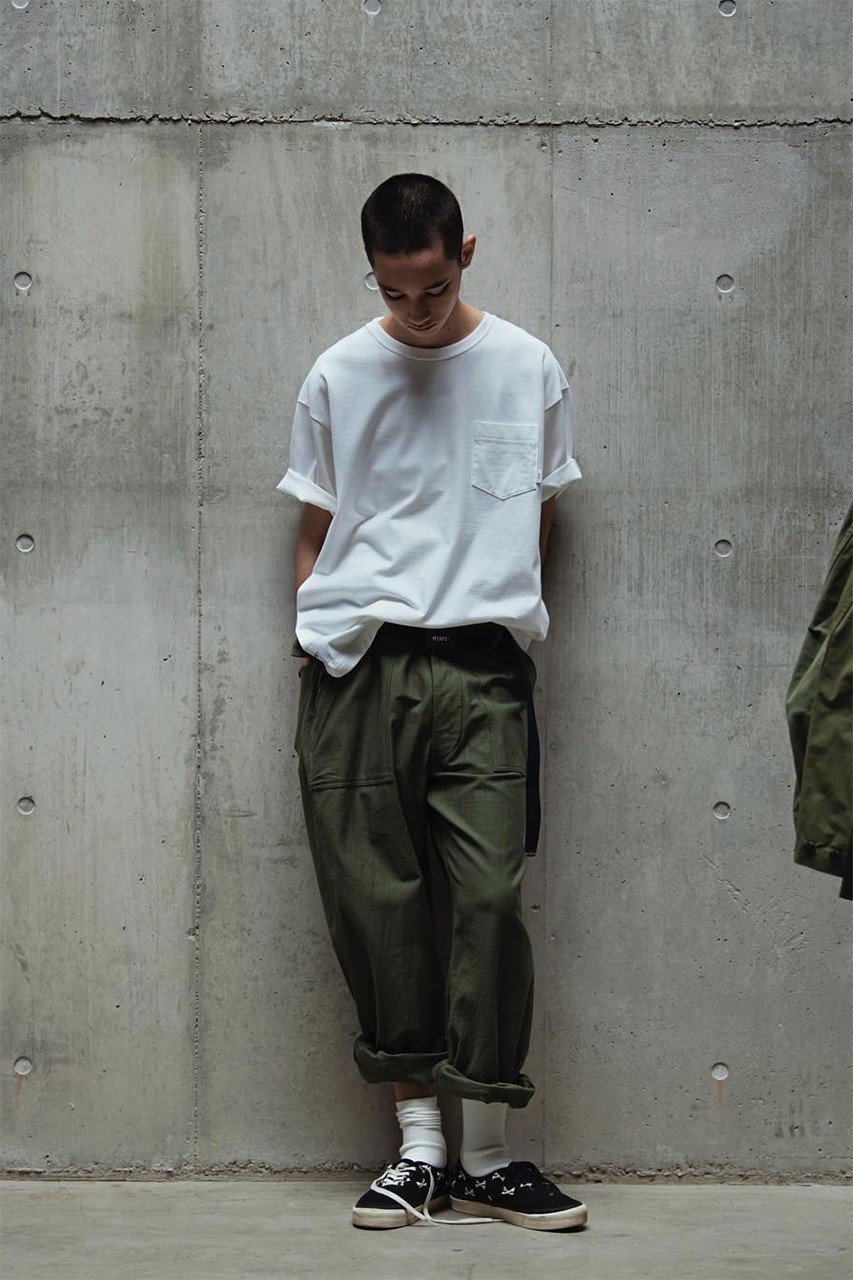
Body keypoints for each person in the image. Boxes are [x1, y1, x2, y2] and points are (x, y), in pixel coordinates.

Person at [277, 173, 586, 1231]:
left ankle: (487, 1155)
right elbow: (315, 522)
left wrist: (502, 608)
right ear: (372, 272)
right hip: (359, 665)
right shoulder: (338, 371)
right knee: (380, 906)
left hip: (481, 669)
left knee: (488, 899)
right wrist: (312, 639)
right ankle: (417, 1150)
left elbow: (538, 511)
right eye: (393, 291)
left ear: (466, 253)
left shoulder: (525, 364)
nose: (414, 309)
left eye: (434, 286)